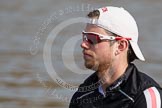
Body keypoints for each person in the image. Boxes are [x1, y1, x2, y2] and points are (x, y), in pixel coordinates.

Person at [69, 6, 162, 108]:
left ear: (121, 46)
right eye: (84, 37)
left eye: (92, 38)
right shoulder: (81, 96)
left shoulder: (145, 96)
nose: (83, 44)